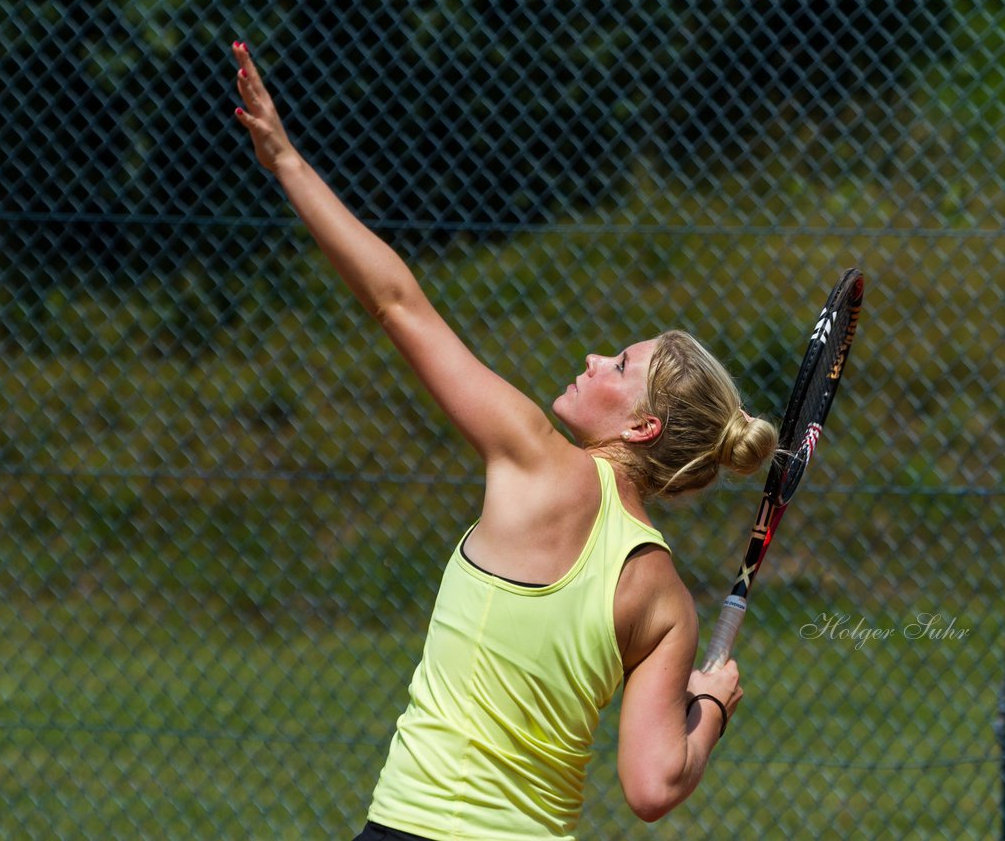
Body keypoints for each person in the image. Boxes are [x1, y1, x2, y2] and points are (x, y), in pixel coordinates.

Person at [230, 41, 776, 840]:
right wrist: (711, 711)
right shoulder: (663, 596)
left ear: (642, 426)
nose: (596, 359)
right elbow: (654, 785)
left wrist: (285, 161)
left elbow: (396, 302)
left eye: (620, 365)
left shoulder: (530, 456)